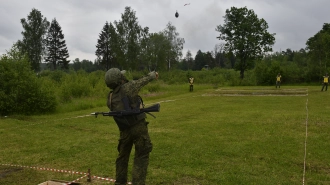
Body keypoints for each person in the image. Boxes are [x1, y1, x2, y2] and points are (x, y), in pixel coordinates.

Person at [104, 68, 159, 185]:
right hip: (138, 127)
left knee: (122, 157)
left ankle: (120, 182)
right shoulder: (129, 87)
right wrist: (153, 75)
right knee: (141, 155)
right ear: (120, 79)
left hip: (124, 131)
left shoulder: (110, 97)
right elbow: (143, 81)